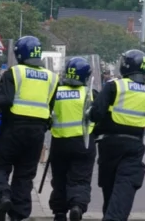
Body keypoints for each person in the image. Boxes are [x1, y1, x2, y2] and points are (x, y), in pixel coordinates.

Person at [0, 35, 59, 221]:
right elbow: (50, 106)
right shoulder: (52, 78)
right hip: (36, 133)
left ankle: (2, 196)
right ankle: (18, 215)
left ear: (19, 54)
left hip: (12, 129)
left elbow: (4, 101)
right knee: (24, 176)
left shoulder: (14, 73)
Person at [89, 50, 145, 220]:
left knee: (109, 187)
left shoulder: (114, 86)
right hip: (134, 145)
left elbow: (96, 113)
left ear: (125, 65)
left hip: (110, 144)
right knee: (124, 187)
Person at [48, 57, 98, 221]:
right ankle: (77, 205)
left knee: (60, 179)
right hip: (83, 142)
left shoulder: (56, 92)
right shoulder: (90, 94)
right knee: (80, 179)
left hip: (59, 142)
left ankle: (60, 212)